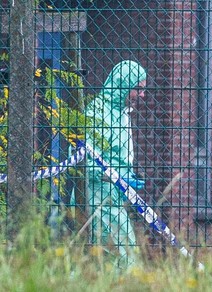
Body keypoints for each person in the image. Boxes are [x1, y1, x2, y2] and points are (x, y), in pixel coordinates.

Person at [84, 60, 147, 268]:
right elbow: (88, 163)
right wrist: (117, 177)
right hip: (98, 197)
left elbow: (116, 157)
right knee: (126, 259)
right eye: (138, 89)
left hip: (113, 197)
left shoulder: (121, 113)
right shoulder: (98, 112)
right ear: (124, 85)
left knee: (105, 260)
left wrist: (125, 176)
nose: (142, 95)